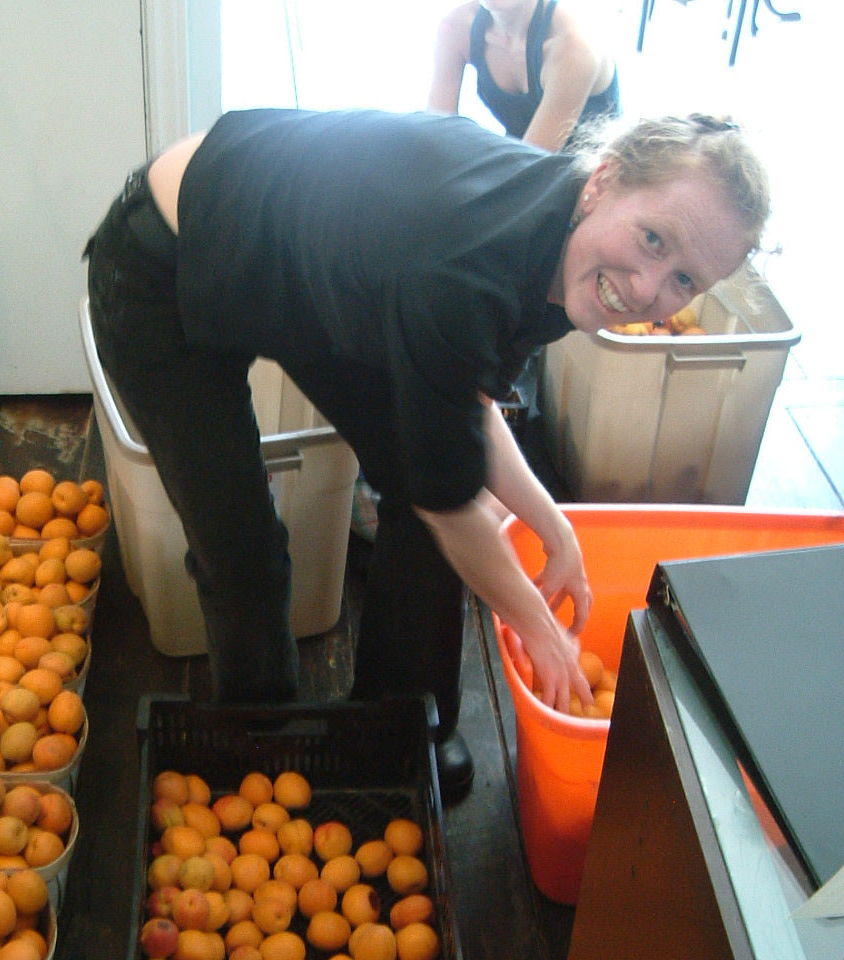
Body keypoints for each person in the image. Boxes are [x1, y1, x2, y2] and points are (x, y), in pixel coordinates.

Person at [84, 109, 769, 800]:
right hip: (161, 265)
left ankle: (391, 729)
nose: (650, 289)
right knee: (243, 552)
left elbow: (460, 404)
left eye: (685, 281)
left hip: (311, 272)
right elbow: (448, 501)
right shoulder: (470, 262)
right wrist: (539, 629)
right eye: (654, 239)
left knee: (429, 482)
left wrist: (552, 522)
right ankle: (260, 753)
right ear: (605, 182)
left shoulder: (570, 245)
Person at [428, 0, 620, 149]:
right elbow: (433, 140)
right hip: (523, 163)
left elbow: (528, 170)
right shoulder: (456, 27)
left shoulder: (574, 48)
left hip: (594, 183)